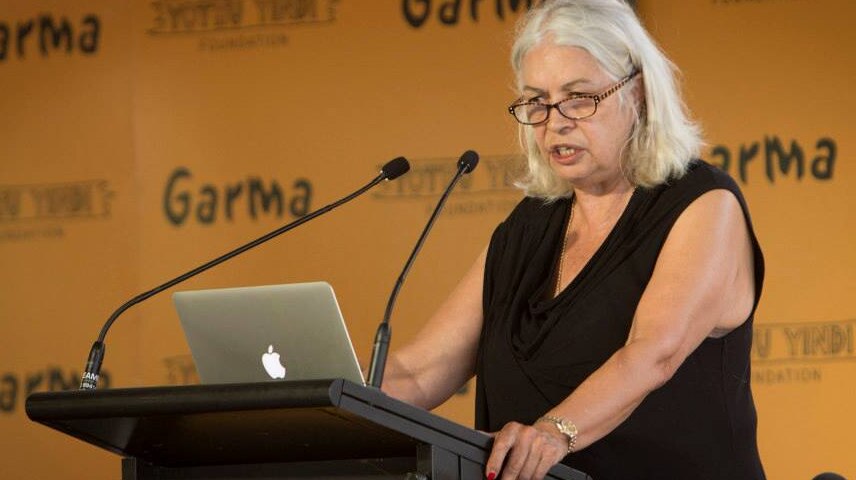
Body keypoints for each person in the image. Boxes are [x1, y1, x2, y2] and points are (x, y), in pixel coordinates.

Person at [381, 0, 766, 479]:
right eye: (536, 102)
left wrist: (552, 433)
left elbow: (653, 354)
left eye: (579, 97)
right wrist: (315, 393)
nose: (555, 121)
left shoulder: (703, 204)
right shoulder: (529, 228)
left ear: (639, 93)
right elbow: (419, 373)